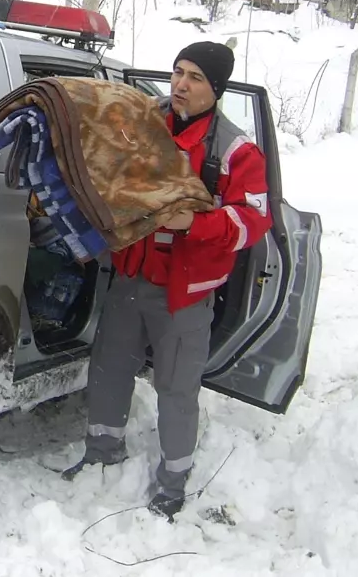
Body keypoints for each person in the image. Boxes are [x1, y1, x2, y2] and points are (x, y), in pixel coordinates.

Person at [62, 41, 272, 521]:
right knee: (109, 367)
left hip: (184, 292)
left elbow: (251, 222)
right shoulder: (142, 119)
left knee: (176, 387)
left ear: (215, 88)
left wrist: (193, 225)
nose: (180, 84)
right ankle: (101, 452)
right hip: (129, 274)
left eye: (196, 77)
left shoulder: (236, 151)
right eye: (178, 72)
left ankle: (173, 481)